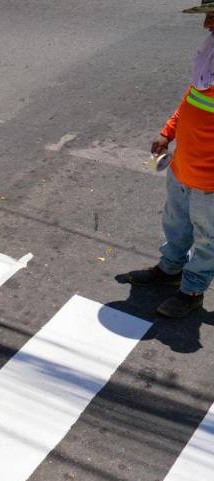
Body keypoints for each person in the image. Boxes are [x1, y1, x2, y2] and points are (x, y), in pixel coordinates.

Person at [127, 2, 214, 317]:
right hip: (182, 168)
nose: (206, 24)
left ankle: (192, 291)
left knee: (207, 241)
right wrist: (168, 133)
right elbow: (191, 100)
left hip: (209, 184)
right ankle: (170, 270)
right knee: (176, 224)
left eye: (213, 16)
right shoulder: (208, 64)